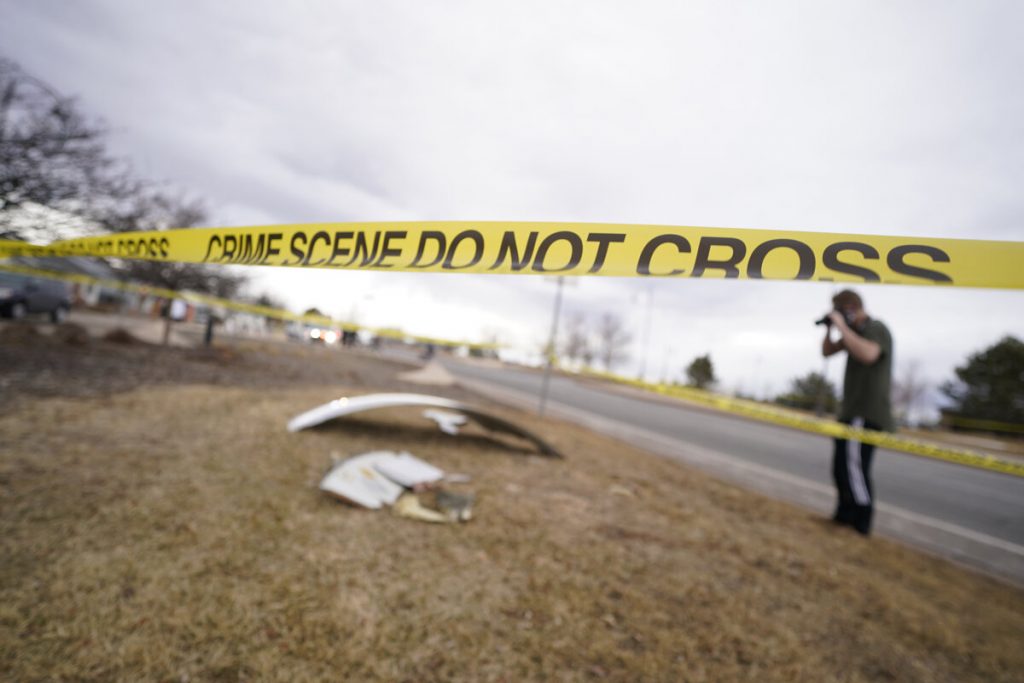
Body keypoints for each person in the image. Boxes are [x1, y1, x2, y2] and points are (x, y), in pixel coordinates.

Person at [821, 289, 893, 535]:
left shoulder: (875, 328)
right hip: (850, 411)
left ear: (852, 307)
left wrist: (842, 326)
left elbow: (869, 354)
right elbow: (827, 352)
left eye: (841, 310)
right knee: (841, 466)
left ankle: (861, 522)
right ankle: (843, 514)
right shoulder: (855, 333)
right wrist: (830, 328)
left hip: (866, 411)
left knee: (855, 469)